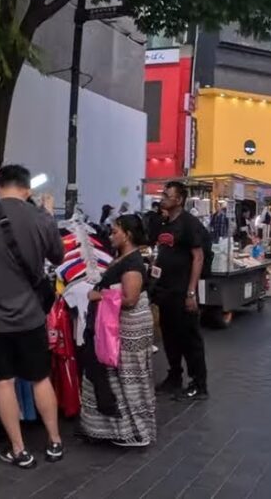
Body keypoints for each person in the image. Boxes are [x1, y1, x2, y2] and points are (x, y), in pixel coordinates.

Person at [0, 165, 66, 469]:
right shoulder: (40, 218)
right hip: (31, 316)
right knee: (39, 378)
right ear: (27, 189)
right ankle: (55, 441)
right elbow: (58, 257)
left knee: (3, 383)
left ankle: (19, 450)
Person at [79, 215, 156, 447]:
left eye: (114, 232)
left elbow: (130, 299)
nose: (110, 235)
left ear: (128, 234)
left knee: (127, 378)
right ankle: (118, 430)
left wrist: (98, 295)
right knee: (118, 377)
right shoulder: (124, 258)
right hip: (117, 326)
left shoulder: (132, 263)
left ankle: (135, 432)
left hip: (128, 327)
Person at [151, 181, 210, 401]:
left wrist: (191, 293)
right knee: (169, 337)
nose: (163, 197)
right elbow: (162, 250)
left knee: (189, 339)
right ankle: (174, 376)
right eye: (163, 193)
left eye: (167, 195)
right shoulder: (165, 223)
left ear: (179, 200)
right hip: (165, 291)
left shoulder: (189, 223)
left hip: (183, 291)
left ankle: (199, 384)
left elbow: (198, 257)